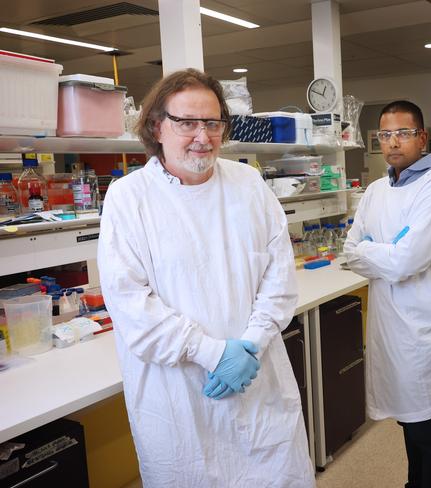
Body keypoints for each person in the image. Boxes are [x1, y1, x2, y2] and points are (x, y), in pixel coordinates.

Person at [97, 68, 314, 487]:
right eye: (187, 123)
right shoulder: (129, 199)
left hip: (256, 380)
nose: (203, 135)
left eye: (213, 123)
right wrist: (212, 353)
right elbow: (131, 305)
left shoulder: (249, 184)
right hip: (179, 398)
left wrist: (249, 344)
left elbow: (278, 278)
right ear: (157, 126)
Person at [344, 100, 431, 488]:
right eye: (385, 134)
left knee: (428, 428)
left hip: (422, 328)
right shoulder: (377, 190)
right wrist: (382, 252)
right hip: (388, 326)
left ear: (422, 138)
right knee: (408, 426)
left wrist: (373, 251)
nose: (393, 142)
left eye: (403, 133)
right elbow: (350, 250)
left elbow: (404, 262)